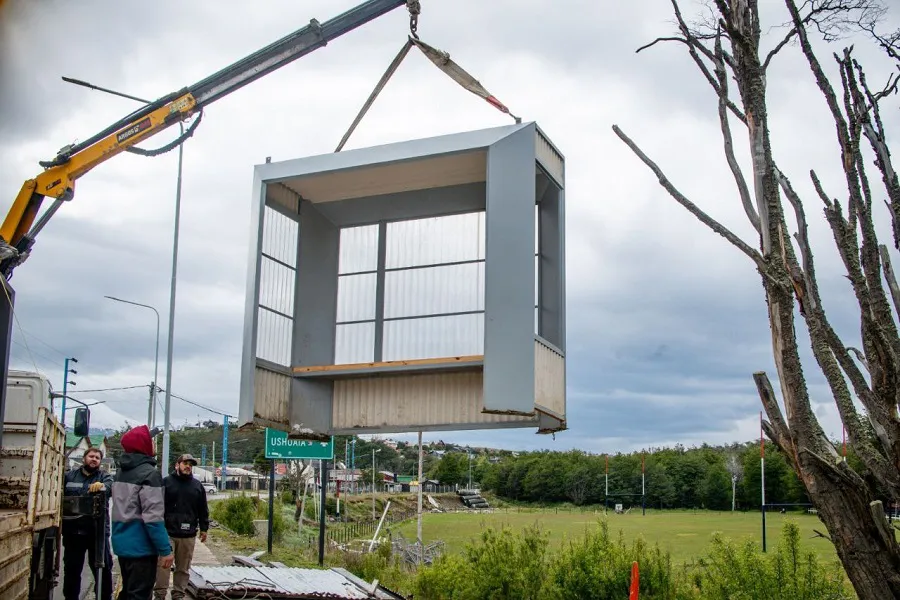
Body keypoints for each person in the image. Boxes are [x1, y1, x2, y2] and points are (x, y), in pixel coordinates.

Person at [111, 425, 173, 600]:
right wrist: (165, 549)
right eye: (151, 440)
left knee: (128, 592)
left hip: (123, 546)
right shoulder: (149, 474)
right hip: (142, 549)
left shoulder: (120, 473)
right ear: (142, 444)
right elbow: (153, 518)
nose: (154, 443)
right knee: (139, 595)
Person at [154, 454, 210, 600]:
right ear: (177, 465)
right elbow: (157, 507)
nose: (188, 467)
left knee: (183, 569)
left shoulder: (197, 486)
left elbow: (203, 509)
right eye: (185, 463)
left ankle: (178, 595)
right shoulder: (166, 483)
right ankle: (160, 595)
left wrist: (204, 528)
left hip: (188, 535)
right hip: (167, 533)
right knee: (163, 567)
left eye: (190, 465)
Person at [62, 447, 114, 600]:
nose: (94, 459)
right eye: (91, 456)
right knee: (72, 571)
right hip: (73, 532)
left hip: (97, 533)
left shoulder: (105, 477)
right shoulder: (69, 476)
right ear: (84, 458)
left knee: (103, 569)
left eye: (97, 458)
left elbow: (110, 487)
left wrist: (102, 487)